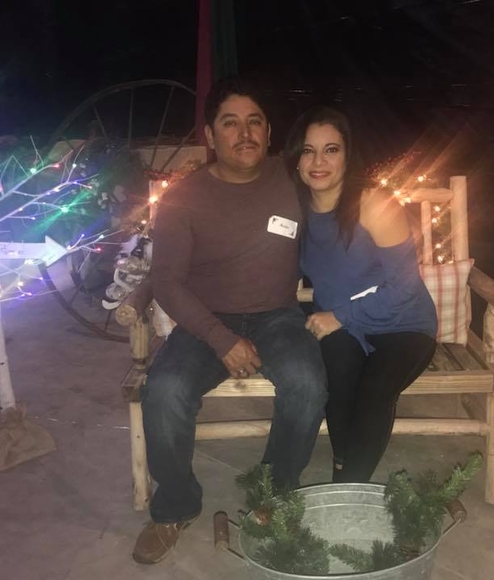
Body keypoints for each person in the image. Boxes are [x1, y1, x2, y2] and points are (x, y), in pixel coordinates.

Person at [132, 79, 327, 565]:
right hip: (207, 320)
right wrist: (220, 339)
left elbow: (345, 196)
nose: (245, 133)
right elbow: (166, 282)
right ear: (210, 134)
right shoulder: (184, 197)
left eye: (254, 121)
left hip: (278, 315)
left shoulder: (294, 177)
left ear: (269, 131)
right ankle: (176, 506)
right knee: (164, 392)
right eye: (230, 122)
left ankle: (273, 494)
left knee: (307, 384)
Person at [284, 106, 437, 484]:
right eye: (308, 151)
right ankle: (343, 469)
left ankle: (348, 488)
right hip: (341, 324)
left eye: (331, 150)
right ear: (297, 159)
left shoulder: (373, 203)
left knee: (374, 390)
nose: (319, 162)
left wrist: (339, 317)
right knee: (338, 380)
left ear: (347, 155)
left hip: (402, 322)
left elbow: (404, 287)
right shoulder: (295, 211)